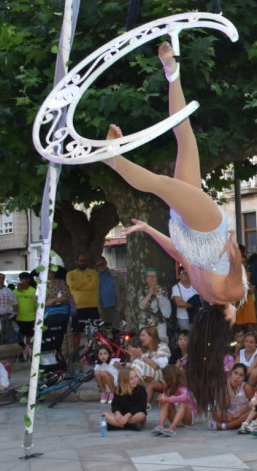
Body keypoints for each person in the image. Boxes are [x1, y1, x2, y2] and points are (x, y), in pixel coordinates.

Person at [103, 43, 246, 413]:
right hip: (189, 230)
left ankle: (114, 159)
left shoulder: (225, 293)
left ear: (224, 319)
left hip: (204, 228)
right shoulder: (201, 289)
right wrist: (150, 229)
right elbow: (179, 254)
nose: (236, 317)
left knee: (162, 181)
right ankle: (171, 71)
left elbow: (232, 263)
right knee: (185, 138)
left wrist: (233, 251)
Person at [128, 326, 171, 402]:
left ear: (151, 336)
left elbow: (156, 366)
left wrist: (141, 355)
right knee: (129, 369)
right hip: (145, 375)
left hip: (160, 376)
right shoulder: (144, 351)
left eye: (143, 335)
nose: (140, 338)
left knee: (137, 363)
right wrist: (132, 357)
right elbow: (134, 366)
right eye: (140, 336)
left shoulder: (162, 347)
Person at [152, 366, 197, 437]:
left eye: (163, 378)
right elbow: (162, 407)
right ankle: (161, 426)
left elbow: (185, 397)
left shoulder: (182, 387)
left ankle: (172, 427)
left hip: (187, 419)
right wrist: (161, 401)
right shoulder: (167, 390)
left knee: (182, 404)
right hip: (175, 417)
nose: (162, 380)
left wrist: (168, 399)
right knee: (165, 402)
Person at [209, 363, 254, 430]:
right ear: (231, 374)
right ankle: (237, 424)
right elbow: (225, 405)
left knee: (252, 413)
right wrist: (227, 387)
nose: (237, 377)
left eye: (241, 375)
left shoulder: (246, 387)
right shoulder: (224, 387)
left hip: (243, 413)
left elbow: (254, 405)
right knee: (215, 412)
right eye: (235, 373)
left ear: (243, 378)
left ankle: (225, 426)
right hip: (230, 415)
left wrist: (240, 412)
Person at [137, 267, 172, 341]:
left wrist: (157, 294)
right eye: (149, 276)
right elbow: (142, 306)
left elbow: (165, 305)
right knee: (146, 341)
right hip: (146, 320)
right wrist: (149, 294)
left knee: (162, 340)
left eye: (154, 276)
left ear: (157, 278)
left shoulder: (163, 290)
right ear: (146, 279)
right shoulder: (142, 291)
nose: (152, 278)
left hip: (159, 320)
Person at [13, 272, 37, 361]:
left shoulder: (33, 290)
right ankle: (19, 355)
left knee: (30, 338)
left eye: (27, 279)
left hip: (31, 318)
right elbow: (13, 305)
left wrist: (36, 318)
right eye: (23, 279)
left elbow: (37, 304)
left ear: (29, 280)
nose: (25, 281)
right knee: (19, 338)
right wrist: (14, 318)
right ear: (20, 280)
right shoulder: (15, 291)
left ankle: (30, 354)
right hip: (19, 318)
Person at [96, 256, 123, 325]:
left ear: (105, 262)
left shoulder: (116, 274)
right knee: (104, 329)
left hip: (115, 307)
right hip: (102, 309)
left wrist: (122, 305)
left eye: (102, 264)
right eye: (98, 265)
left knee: (116, 329)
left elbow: (123, 289)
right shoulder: (95, 277)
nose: (101, 266)